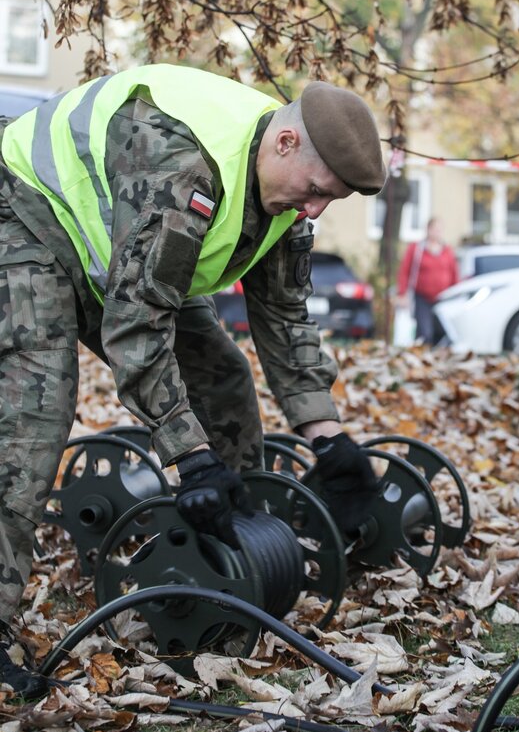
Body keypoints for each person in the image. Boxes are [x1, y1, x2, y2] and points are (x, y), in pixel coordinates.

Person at [0, 64, 387, 698]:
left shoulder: (283, 190)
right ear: (286, 143)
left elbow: (284, 316)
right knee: (34, 414)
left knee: (224, 376)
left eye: (331, 200)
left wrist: (329, 438)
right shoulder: (183, 168)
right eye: (317, 189)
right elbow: (139, 327)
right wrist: (192, 458)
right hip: (21, 212)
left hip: (109, 249)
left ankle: (227, 558)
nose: (315, 209)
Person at [396, 217, 459, 343]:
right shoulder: (417, 249)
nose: (437, 233)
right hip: (422, 298)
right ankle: (422, 357)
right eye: (435, 229)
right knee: (425, 333)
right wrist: (402, 293)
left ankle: (434, 358)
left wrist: (456, 294)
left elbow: (454, 273)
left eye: (440, 230)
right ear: (428, 230)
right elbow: (405, 271)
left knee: (443, 333)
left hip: (443, 298)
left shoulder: (447, 250)